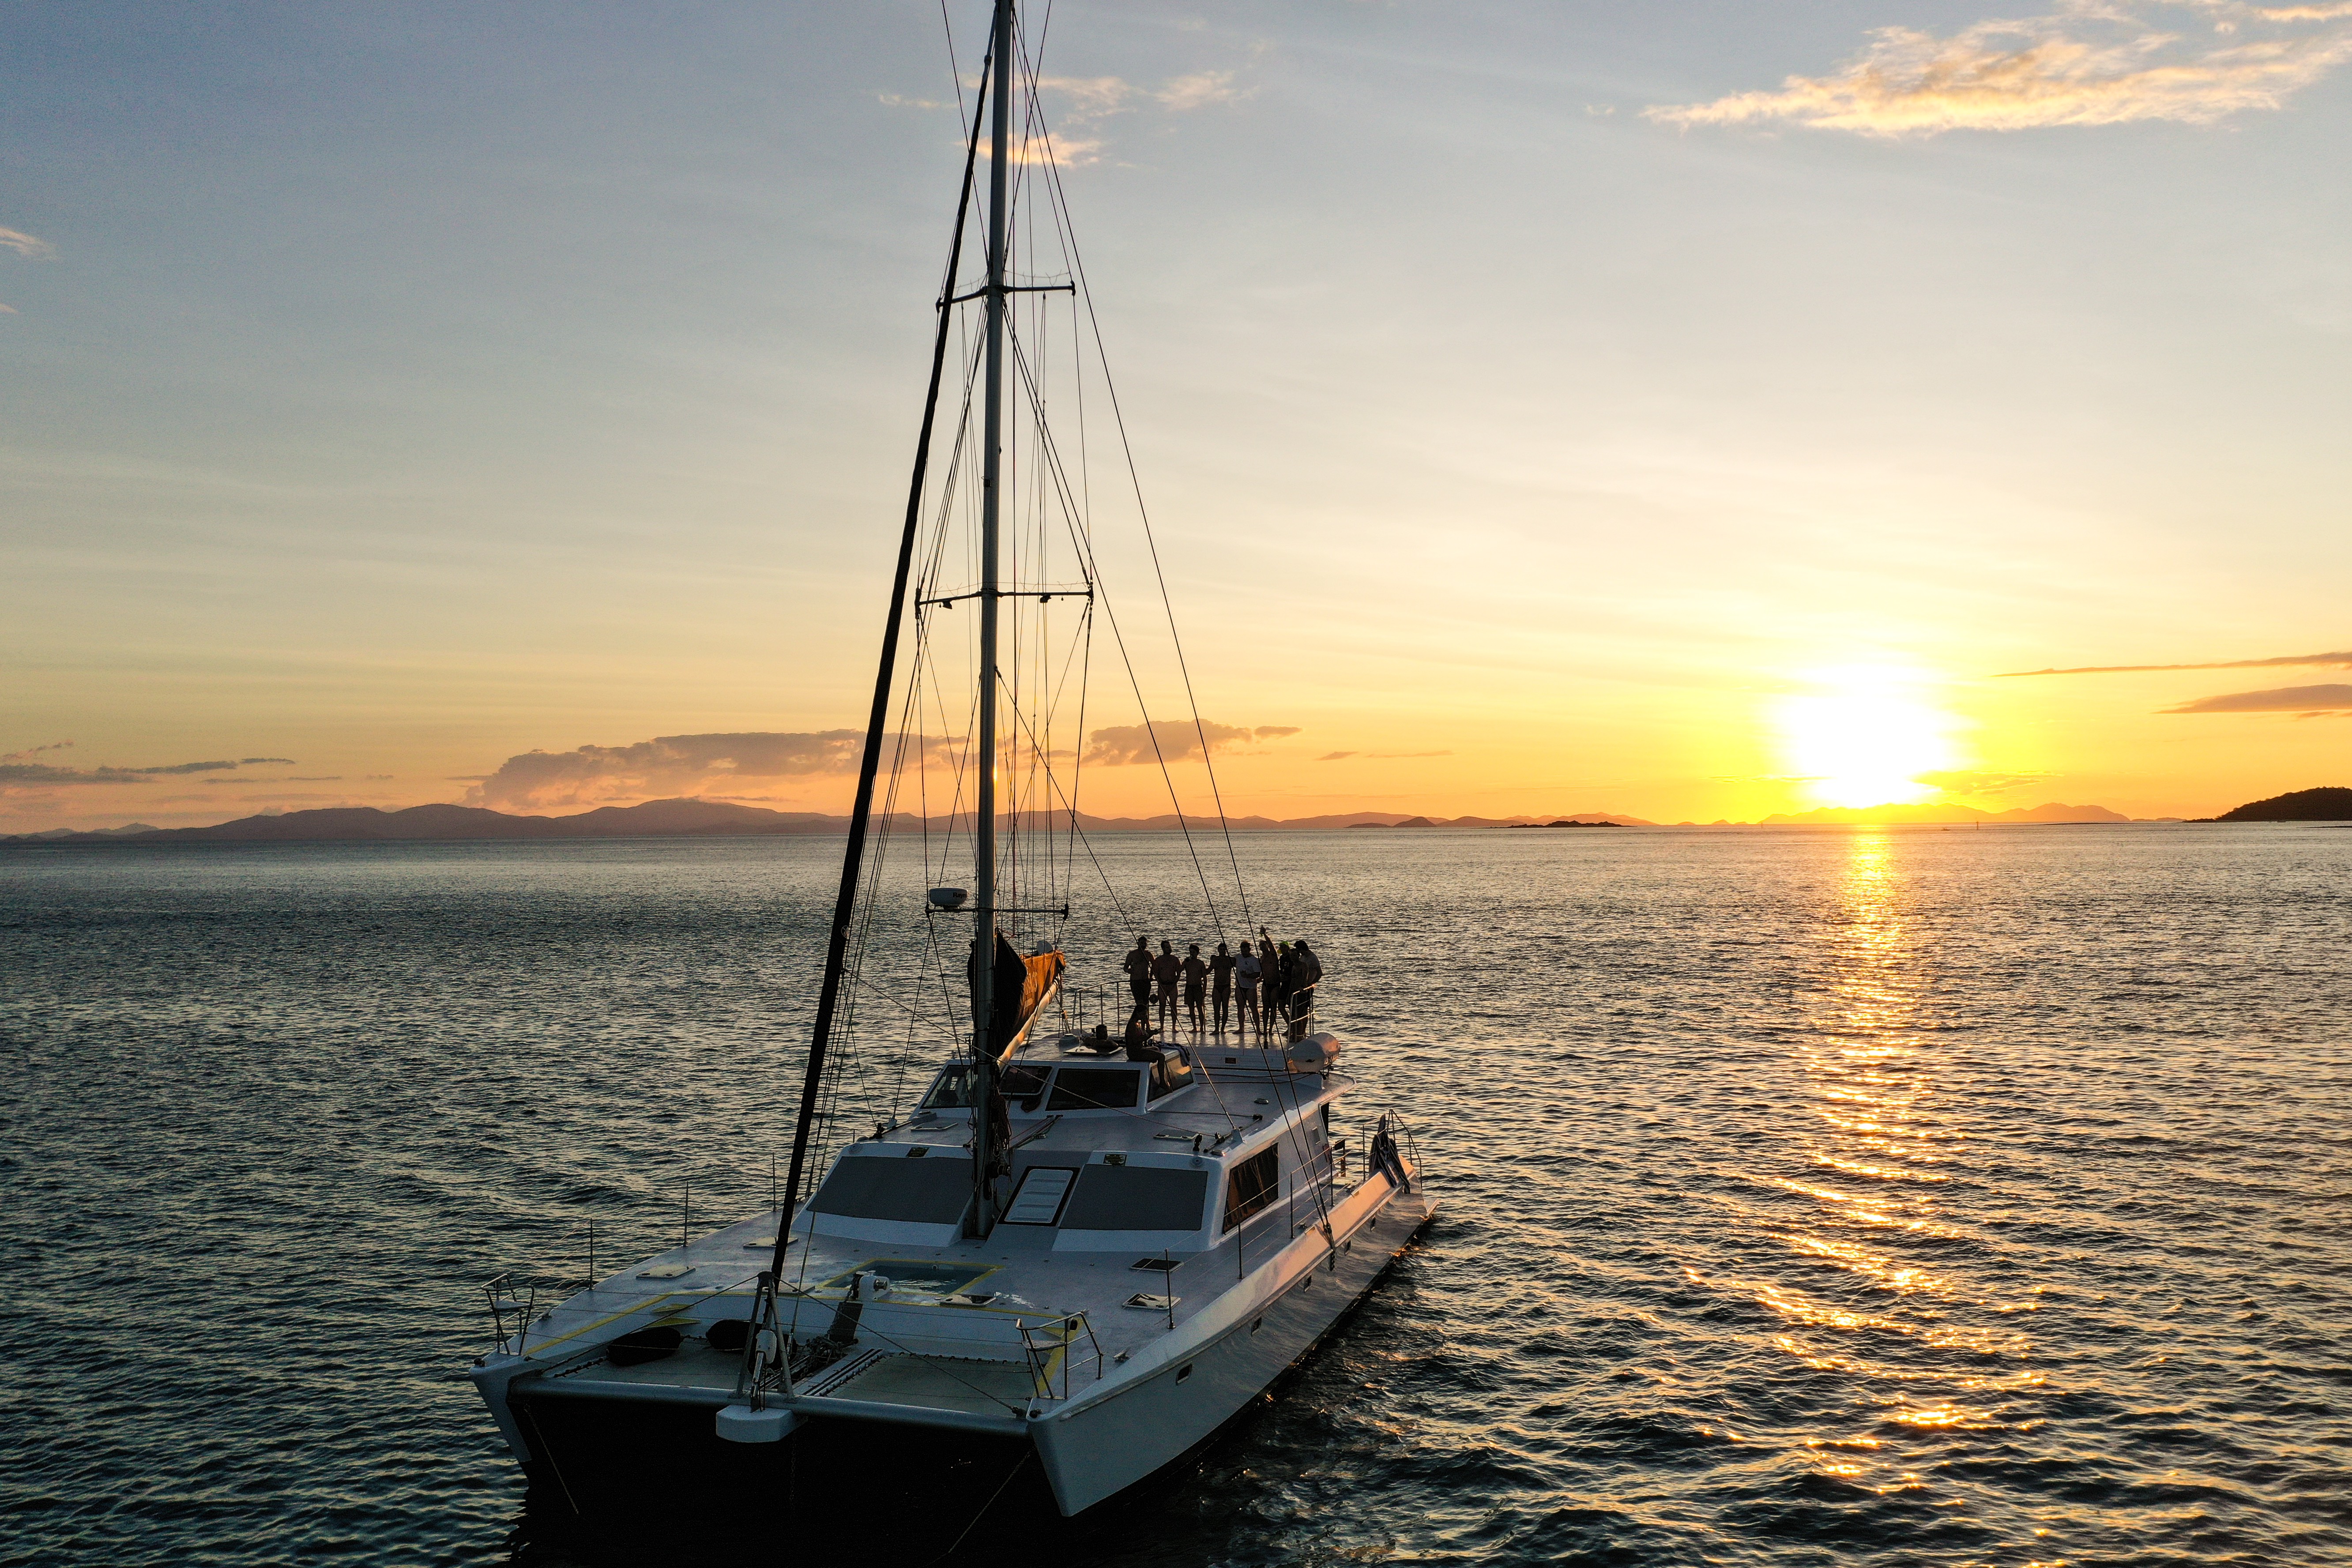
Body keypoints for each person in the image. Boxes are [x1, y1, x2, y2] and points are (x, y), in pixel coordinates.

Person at [1288, 937, 1323, 1040]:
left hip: (1307, 987)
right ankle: (1299, 1032)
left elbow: (1320, 973)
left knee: (1304, 1010)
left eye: (1298, 950)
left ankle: (1302, 1032)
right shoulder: (1302, 958)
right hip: (1299, 987)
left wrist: (1312, 983)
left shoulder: (1313, 958)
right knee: (1297, 1011)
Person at [1121, 934, 1153, 1036]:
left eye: (1145, 943)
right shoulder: (1132, 954)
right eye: (1141, 943)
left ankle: (1145, 1026)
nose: (1143, 945)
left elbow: (1155, 965)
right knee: (1140, 1005)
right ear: (1138, 943)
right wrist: (1129, 971)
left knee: (1145, 1004)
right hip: (1136, 982)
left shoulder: (1148, 954)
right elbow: (1125, 967)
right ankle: (1142, 1026)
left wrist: (1152, 975)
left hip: (1146, 981)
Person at [1152, 939, 1182, 1035]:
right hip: (1162, 985)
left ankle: (1174, 1026)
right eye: (1167, 947)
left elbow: (1179, 974)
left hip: (1173, 986)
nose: (1169, 949)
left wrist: (1174, 983)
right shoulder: (1159, 960)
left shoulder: (1175, 959)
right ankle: (1162, 1026)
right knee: (1162, 1006)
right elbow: (1155, 973)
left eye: (1170, 947)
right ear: (1163, 949)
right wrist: (1160, 983)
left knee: (1174, 1006)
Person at [1234, 940, 1261, 1038]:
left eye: (1246, 950)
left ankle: (1258, 1029)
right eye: (1242, 950)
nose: (1244, 952)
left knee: (1254, 1007)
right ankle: (1241, 1028)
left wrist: (1248, 976)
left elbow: (1258, 974)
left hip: (1251, 987)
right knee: (1240, 1007)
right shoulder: (1238, 958)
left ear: (1249, 950)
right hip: (1240, 986)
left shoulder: (1254, 960)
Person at [1208, 941, 1236, 1035]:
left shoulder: (1231, 960)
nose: (1223, 951)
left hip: (1226, 986)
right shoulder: (1215, 960)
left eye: (1224, 949)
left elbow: (1240, 966)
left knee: (1225, 1007)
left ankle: (1223, 1029)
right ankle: (1216, 1029)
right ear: (1218, 950)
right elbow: (1209, 970)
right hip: (1216, 986)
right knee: (1216, 1008)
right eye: (1221, 949)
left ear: (1227, 950)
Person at [1181, 943, 1208, 1035]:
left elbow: (1205, 978)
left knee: (1200, 1008)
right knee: (1191, 1008)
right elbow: (1180, 970)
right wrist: (1184, 962)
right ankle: (1194, 1027)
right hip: (1189, 987)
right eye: (1191, 952)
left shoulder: (1200, 963)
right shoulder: (1187, 962)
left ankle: (1201, 1028)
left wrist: (1204, 991)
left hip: (1197, 987)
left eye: (1194, 952)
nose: (1192, 954)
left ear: (1197, 953)